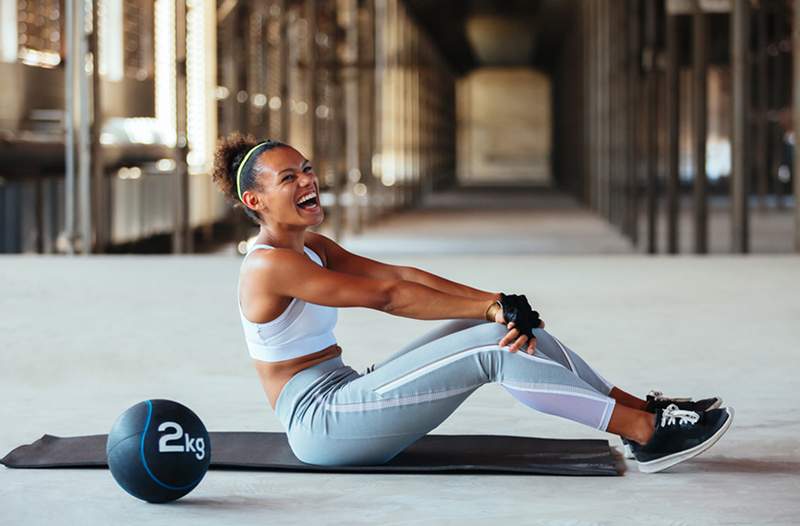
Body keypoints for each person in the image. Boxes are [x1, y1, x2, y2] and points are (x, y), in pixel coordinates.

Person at [211, 134, 734, 474]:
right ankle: (643, 435)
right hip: (321, 421)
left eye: (305, 168)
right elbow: (388, 297)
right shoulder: (268, 265)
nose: (307, 180)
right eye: (289, 178)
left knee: (515, 331)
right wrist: (487, 313)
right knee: (493, 346)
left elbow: (398, 273)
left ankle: (645, 411)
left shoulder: (312, 246)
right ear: (255, 202)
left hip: (345, 391)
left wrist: (497, 301)